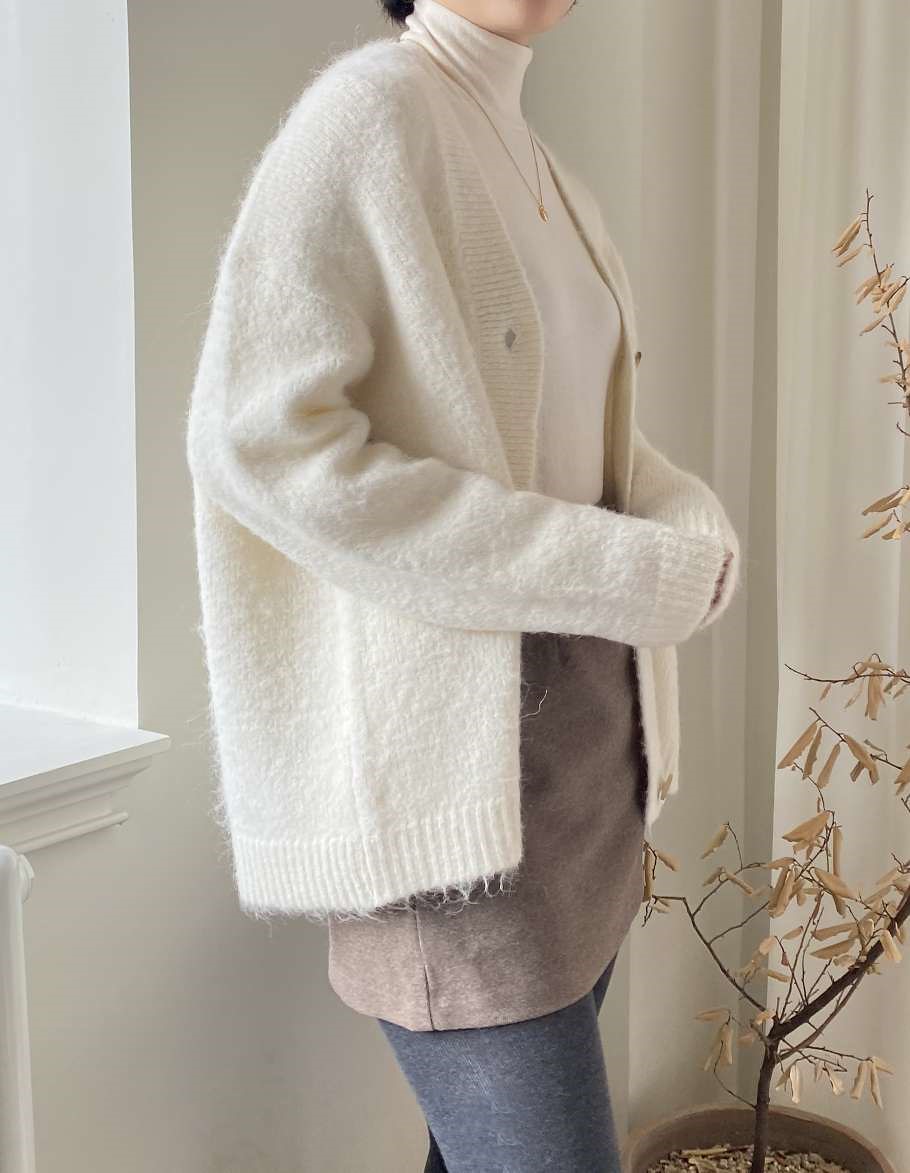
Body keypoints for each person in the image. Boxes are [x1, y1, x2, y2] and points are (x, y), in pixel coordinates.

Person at [185, 1, 741, 1169]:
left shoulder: (547, 171)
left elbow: (594, 446)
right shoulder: (368, 113)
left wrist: (688, 522)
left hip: (586, 766)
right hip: (452, 794)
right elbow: (258, 439)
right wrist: (619, 568)